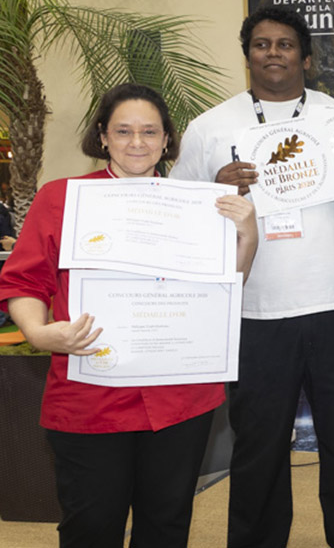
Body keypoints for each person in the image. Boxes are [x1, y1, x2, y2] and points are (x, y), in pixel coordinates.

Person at [0, 83, 257, 547]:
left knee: (166, 525)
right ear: (102, 137)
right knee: (91, 527)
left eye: (149, 132)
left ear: (166, 140)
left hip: (180, 398)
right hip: (89, 399)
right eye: (123, 131)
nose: (136, 142)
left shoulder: (199, 204)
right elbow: (23, 280)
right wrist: (39, 332)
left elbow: (221, 295)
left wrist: (247, 235)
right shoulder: (62, 199)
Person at [170, 7, 334, 548]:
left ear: (305, 58)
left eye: (285, 44)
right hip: (253, 314)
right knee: (258, 449)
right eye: (261, 44)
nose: (273, 53)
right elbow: (177, 210)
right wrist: (214, 187)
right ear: (247, 57)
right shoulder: (210, 127)